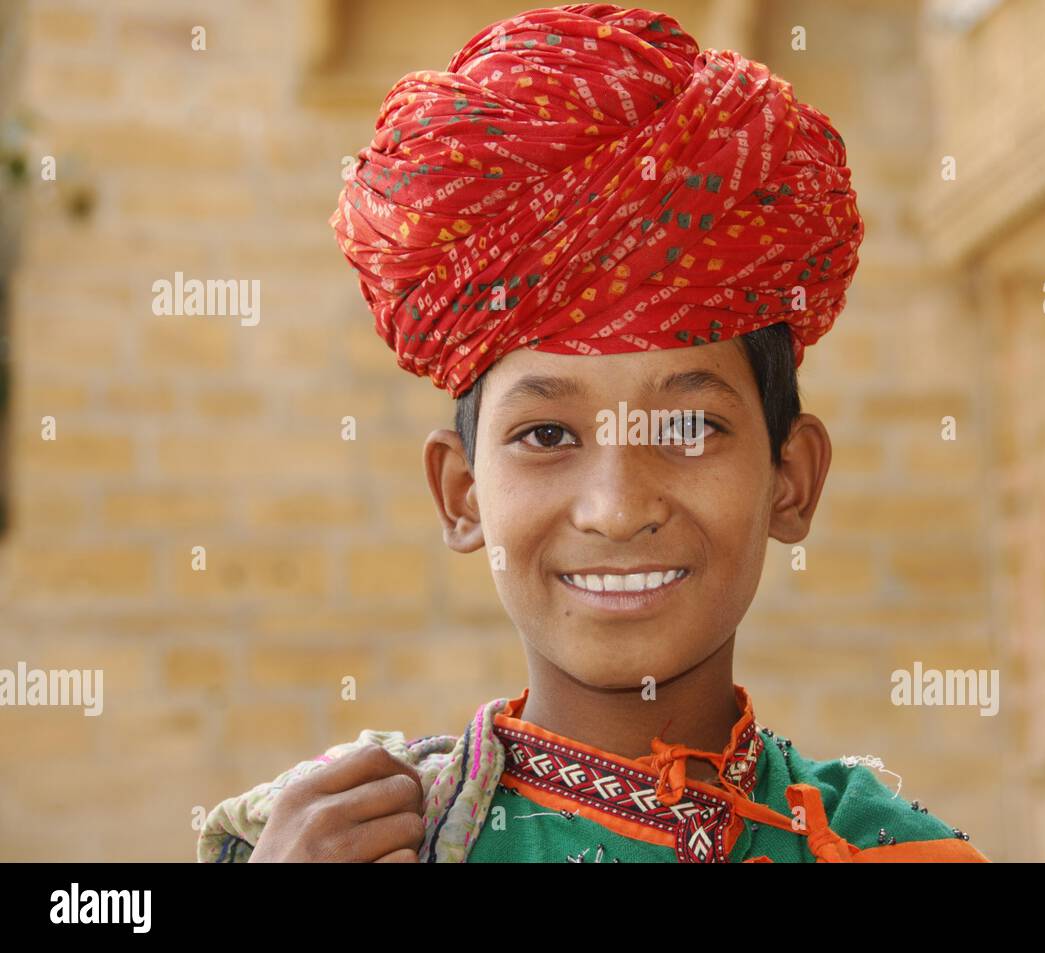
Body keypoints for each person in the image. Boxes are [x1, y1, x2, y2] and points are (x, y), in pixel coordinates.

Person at [197, 2, 987, 863]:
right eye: (546, 435)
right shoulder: (338, 844)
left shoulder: (887, 849)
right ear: (461, 494)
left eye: (687, 425)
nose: (616, 508)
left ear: (790, 478)